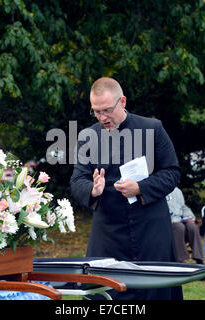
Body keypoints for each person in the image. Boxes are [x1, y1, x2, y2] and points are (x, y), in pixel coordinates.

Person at [70, 77, 182, 300]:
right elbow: (77, 181)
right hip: (109, 233)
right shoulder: (88, 137)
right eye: (96, 112)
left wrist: (141, 187)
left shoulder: (153, 128)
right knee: (105, 293)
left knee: (155, 293)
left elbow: (172, 172)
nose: (102, 118)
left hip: (151, 230)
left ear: (122, 101)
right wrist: (93, 189)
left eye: (107, 110)